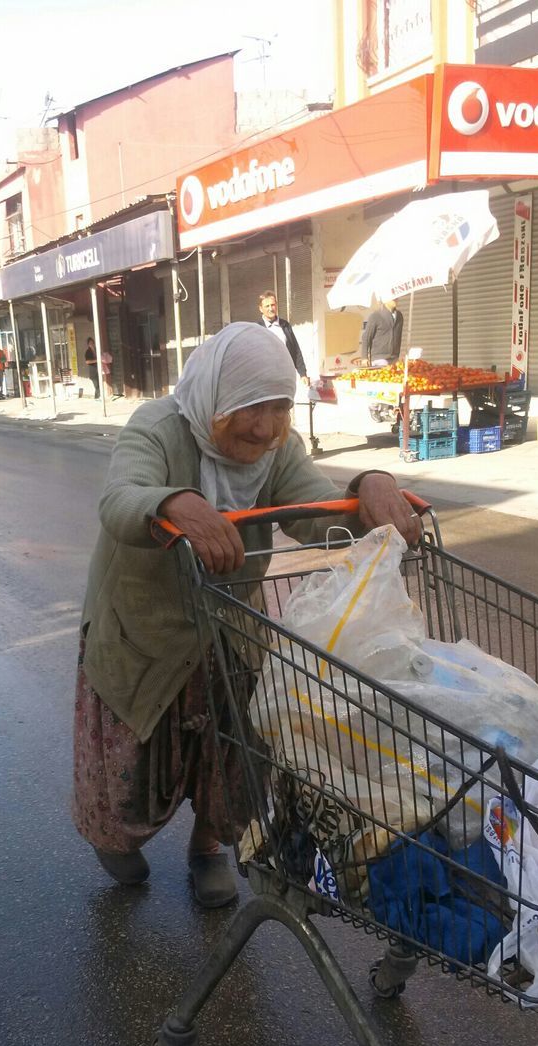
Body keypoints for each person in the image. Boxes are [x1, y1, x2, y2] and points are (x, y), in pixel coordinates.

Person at [72, 322, 421, 909]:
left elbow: (313, 511)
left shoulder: (277, 448)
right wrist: (173, 502)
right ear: (218, 393)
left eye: (279, 407)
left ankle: (207, 848)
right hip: (144, 635)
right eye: (250, 406)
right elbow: (119, 498)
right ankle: (117, 838)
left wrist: (369, 488)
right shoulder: (158, 430)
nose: (263, 425)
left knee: (233, 755)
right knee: (131, 760)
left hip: (229, 634)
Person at [257, 291, 309, 387]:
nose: (270, 309)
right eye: (267, 306)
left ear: (276, 305)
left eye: (272, 305)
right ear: (261, 309)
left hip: (286, 375)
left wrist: (303, 373)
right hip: (266, 378)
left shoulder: (285, 325)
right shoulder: (257, 329)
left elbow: (296, 350)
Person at [362, 298, 404, 367]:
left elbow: (398, 337)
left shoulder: (399, 316)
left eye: (397, 297)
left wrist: (399, 354)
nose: (396, 299)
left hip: (394, 358)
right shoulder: (376, 316)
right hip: (379, 358)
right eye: (393, 298)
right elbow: (366, 337)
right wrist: (364, 357)